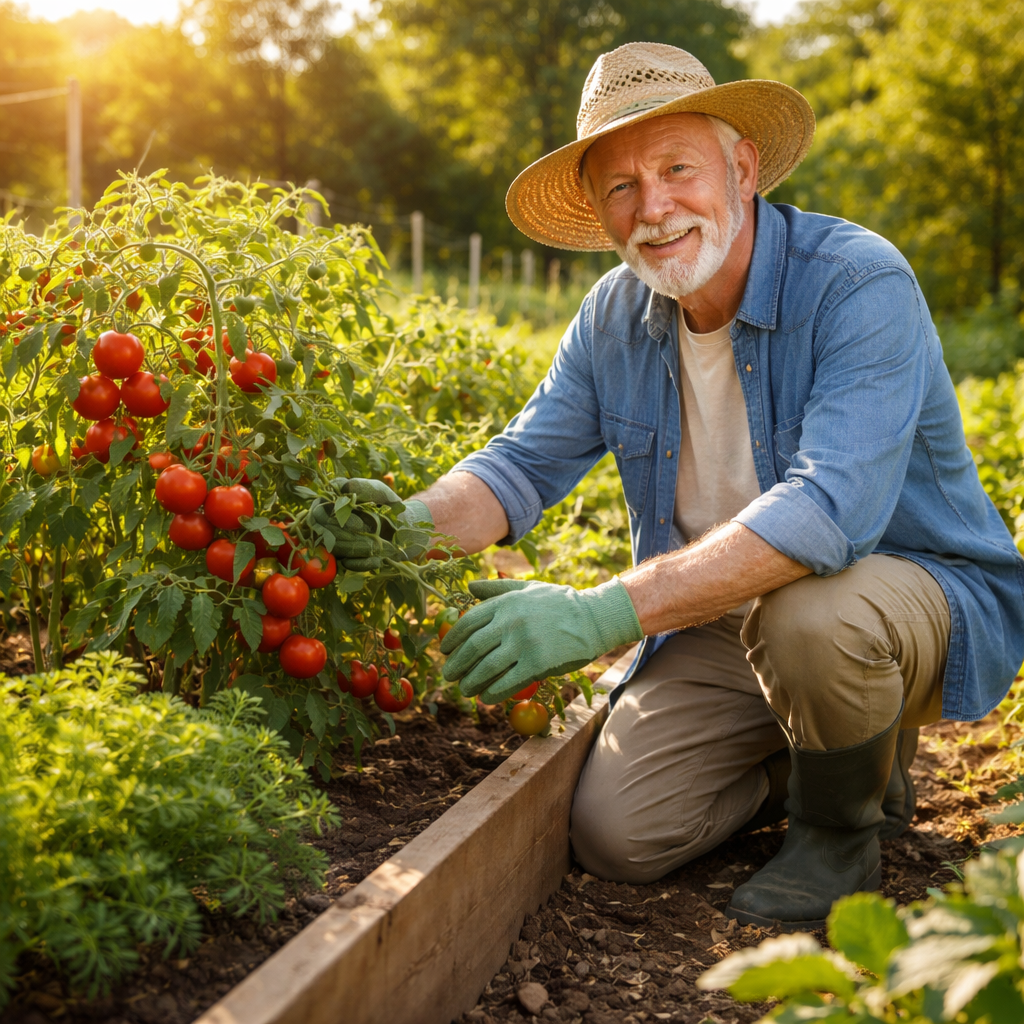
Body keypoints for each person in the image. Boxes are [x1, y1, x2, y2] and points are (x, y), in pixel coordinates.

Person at [401, 42, 1024, 929]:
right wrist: (395, 532)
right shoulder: (614, 316)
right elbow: (518, 468)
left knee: (814, 615)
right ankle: (823, 751)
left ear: (742, 167)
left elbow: (828, 515)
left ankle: (839, 830)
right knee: (620, 835)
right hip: (720, 617)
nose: (654, 208)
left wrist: (597, 615)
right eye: (621, 185)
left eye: (676, 167)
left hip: (898, 604)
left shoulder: (857, 282)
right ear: (598, 209)